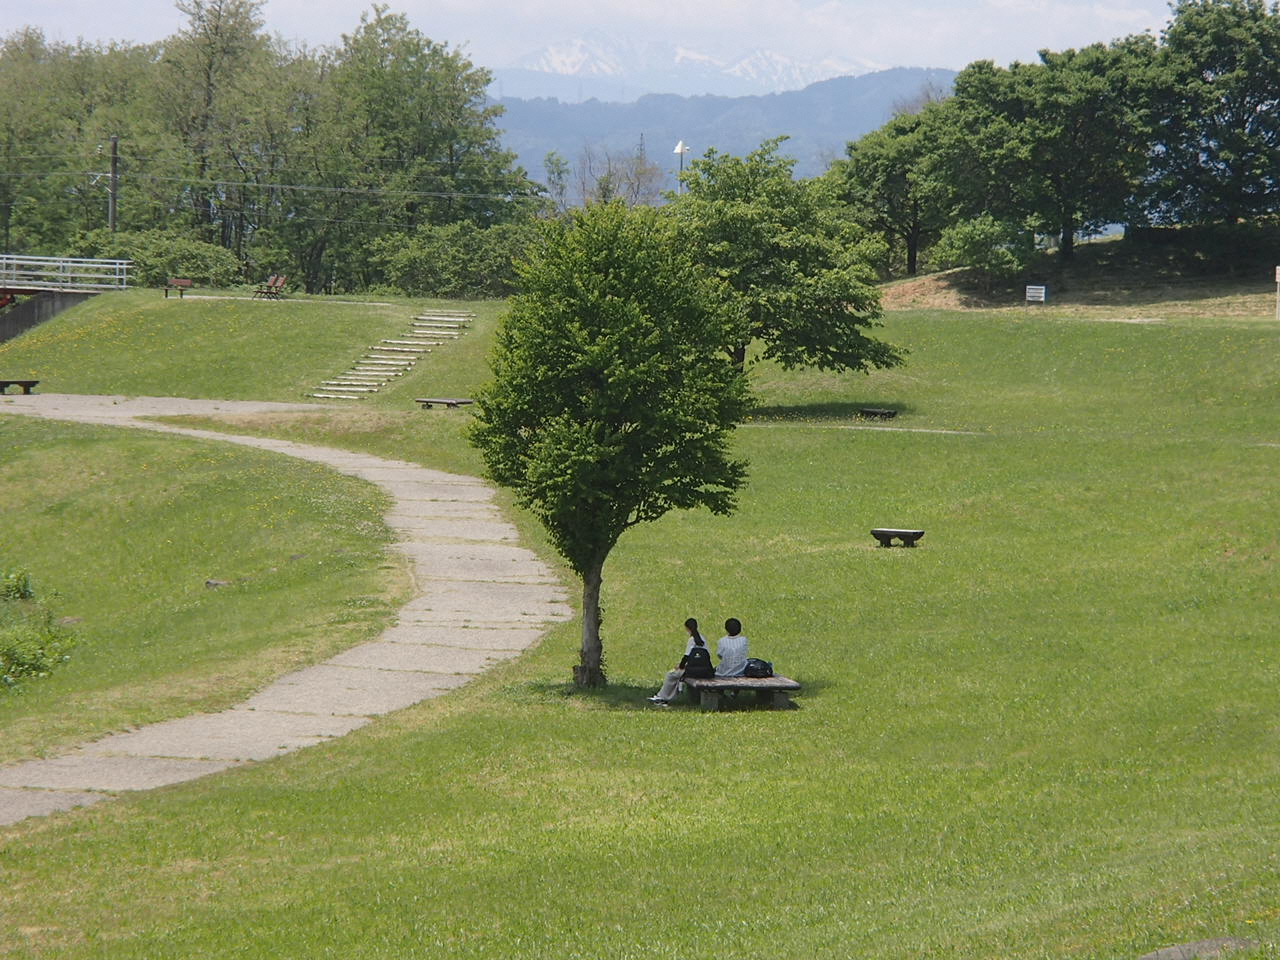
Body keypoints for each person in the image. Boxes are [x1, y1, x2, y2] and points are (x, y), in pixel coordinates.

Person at [648, 618, 712, 705]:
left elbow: (686, 657)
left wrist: (681, 666)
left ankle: (662, 697)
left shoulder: (691, 640)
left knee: (670, 675)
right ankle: (666, 696)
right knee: (676, 676)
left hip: (691, 670)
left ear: (687, 629)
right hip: (705, 670)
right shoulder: (702, 638)